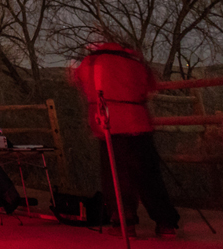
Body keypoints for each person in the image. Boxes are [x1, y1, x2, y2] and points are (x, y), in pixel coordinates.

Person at [72, 40, 180, 239]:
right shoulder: (134, 60)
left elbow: (81, 83)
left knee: (116, 177)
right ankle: (165, 223)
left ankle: (125, 222)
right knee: (149, 175)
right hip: (138, 122)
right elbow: (150, 86)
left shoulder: (91, 62)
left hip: (108, 124)